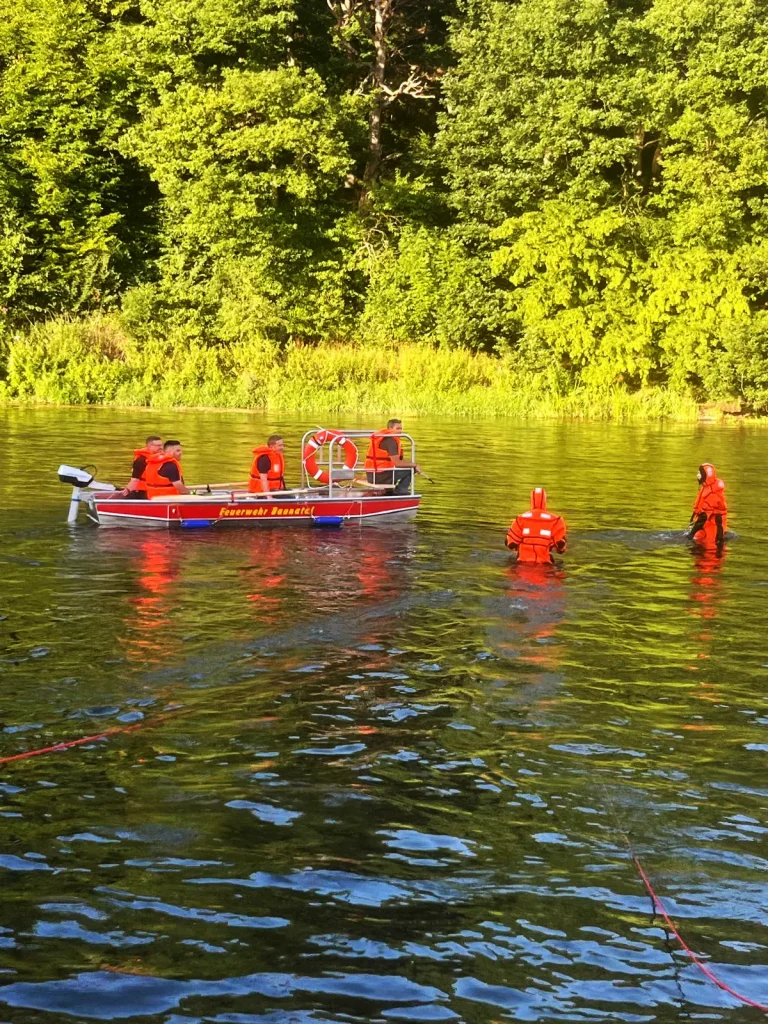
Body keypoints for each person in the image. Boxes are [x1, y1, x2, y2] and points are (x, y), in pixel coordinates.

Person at [505, 487, 567, 564]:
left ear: (531, 501)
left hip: (523, 562)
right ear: (545, 501)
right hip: (545, 564)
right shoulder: (556, 521)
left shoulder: (520, 519)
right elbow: (561, 548)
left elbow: (510, 544)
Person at [364, 419, 421, 495]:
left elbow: (399, 461)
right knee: (411, 470)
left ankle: (389, 491)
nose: (400, 431)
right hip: (380, 477)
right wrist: (415, 465)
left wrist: (410, 463)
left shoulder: (383, 437)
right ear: (390, 429)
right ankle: (400, 492)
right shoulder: (391, 441)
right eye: (397, 428)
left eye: (401, 428)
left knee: (405, 468)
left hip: (372, 476)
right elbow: (398, 464)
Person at [688, 463, 727, 548]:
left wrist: (691, 534)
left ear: (706, 475)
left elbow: (704, 516)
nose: (697, 475)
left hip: (714, 529)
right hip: (706, 525)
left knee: (708, 545)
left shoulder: (713, 494)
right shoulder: (705, 488)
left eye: (699, 473)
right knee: (697, 538)